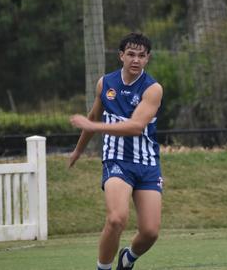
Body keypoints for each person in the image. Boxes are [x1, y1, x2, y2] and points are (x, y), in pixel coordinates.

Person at [69, 33, 163, 270]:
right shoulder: (106, 83)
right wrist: (78, 150)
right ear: (121, 55)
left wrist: (94, 127)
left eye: (141, 56)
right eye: (131, 54)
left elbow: (136, 126)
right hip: (116, 159)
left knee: (150, 232)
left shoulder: (153, 89)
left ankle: (127, 258)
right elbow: (93, 116)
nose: (136, 60)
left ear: (147, 59)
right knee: (116, 219)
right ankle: (103, 268)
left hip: (147, 162)